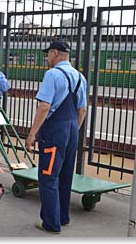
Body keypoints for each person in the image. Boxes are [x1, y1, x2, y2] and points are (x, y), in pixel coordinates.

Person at [25, 40, 87, 234]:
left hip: (54, 132)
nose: (47, 58)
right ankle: (63, 217)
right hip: (71, 131)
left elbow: (44, 107)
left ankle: (51, 224)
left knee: (48, 177)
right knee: (65, 176)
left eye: (48, 54)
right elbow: (82, 110)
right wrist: (72, 132)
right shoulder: (80, 77)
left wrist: (32, 134)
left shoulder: (52, 74)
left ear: (54, 53)